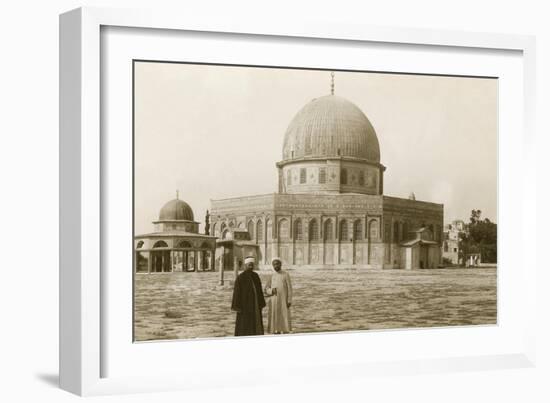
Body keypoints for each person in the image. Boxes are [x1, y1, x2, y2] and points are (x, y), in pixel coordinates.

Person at [231, 256, 266, 336]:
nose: (251, 267)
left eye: (252, 265)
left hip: (255, 305)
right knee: (244, 325)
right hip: (244, 306)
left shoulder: (256, 276)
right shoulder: (240, 277)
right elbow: (237, 293)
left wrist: (261, 303)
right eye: (249, 265)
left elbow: (259, 291)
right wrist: (236, 306)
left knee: (256, 322)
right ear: (245, 265)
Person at [264, 257, 293, 334]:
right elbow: (266, 288)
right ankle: (276, 331)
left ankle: (285, 330)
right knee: (275, 316)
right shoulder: (271, 275)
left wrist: (289, 300)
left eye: (277, 264)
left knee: (283, 316)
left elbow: (290, 289)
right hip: (274, 300)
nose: (275, 266)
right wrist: (271, 291)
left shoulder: (286, 274)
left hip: (283, 300)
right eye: (274, 264)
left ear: (280, 264)